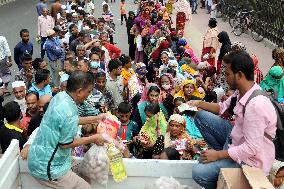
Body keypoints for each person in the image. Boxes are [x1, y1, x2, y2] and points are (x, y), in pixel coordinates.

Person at [190, 51, 277, 189]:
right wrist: (198, 104)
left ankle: (223, 179)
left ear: (240, 75)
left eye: (227, 74)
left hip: (250, 160)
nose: (225, 78)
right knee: (201, 117)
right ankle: (224, 158)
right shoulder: (241, 92)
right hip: (236, 138)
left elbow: (251, 148)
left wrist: (218, 155)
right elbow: (221, 108)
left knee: (198, 172)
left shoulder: (256, 105)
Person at [27, 71, 108, 189]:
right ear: (79, 91)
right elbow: (66, 144)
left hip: (40, 157)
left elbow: (70, 120)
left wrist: (97, 118)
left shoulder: (61, 96)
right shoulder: (68, 110)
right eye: (89, 91)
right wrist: (94, 138)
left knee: (85, 173)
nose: (89, 95)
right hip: (48, 167)